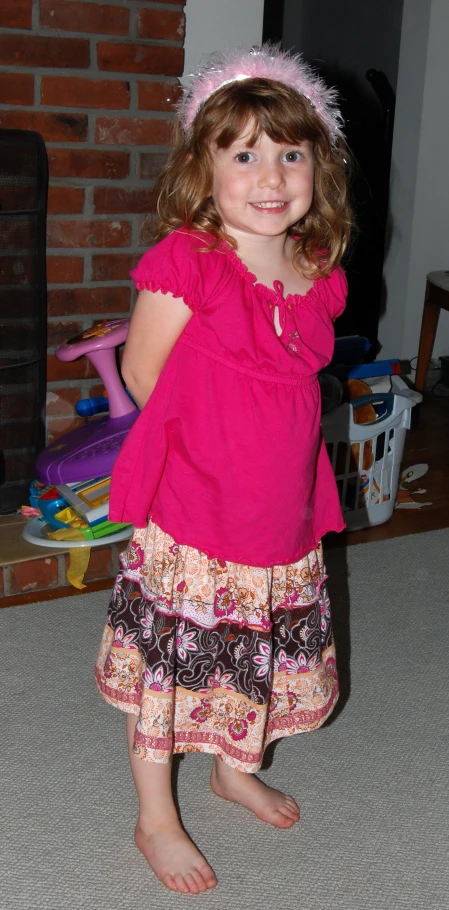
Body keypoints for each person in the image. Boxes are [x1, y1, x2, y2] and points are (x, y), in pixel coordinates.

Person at [95, 43, 352, 895]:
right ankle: (154, 815)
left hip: (278, 514)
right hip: (198, 514)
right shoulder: (189, 261)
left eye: (291, 152)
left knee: (256, 657)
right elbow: (141, 373)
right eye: (242, 153)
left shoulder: (315, 270)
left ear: (318, 164)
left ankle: (232, 768)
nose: (271, 174)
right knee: (176, 669)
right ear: (203, 169)